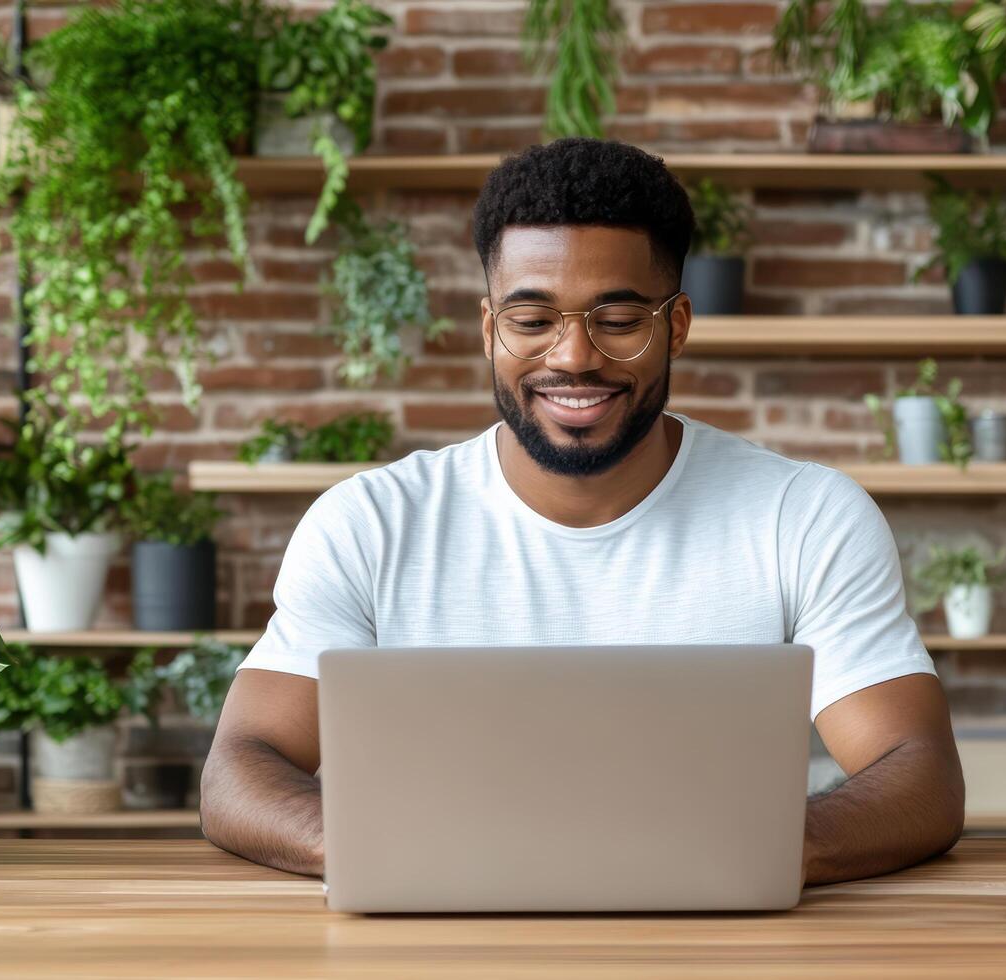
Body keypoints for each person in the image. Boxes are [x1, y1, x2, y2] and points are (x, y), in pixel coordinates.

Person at [201, 138, 963, 886]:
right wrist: (371, 845)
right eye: (531, 320)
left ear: (677, 325)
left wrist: (771, 846)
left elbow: (919, 774)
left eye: (619, 319)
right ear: (486, 326)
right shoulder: (369, 523)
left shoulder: (803, 516)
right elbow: (240, 765)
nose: (572, 357)